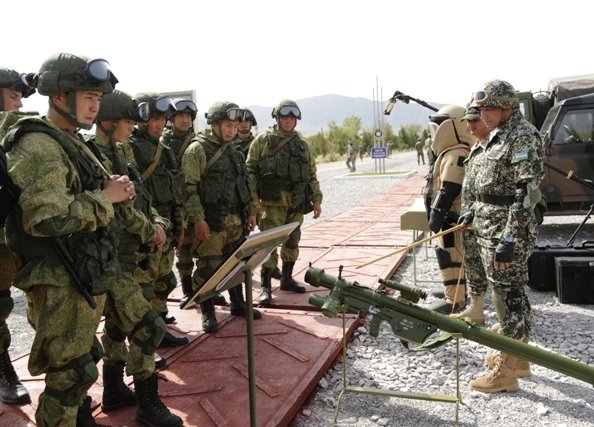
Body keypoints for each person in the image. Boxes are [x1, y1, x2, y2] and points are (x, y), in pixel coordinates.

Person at [3, 52, 132, 427]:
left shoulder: (71, 140)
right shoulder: (39, 145)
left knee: (81, 366)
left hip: (79, 273)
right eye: (88, 97)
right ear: (59, 97)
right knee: (67, 377)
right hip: (59, 281)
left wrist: (113, 192)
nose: (95, 106)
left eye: (98, 98)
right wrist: (105, 198)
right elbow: (47, 218)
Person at [90, 90, 182, 426]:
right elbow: (119, 211)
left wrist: (158, 222)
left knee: (117, 328)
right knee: (147, 328)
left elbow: (141, 197)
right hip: (111, 260)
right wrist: (149, 229)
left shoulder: (121, 151)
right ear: (107, 121)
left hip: (130, 258)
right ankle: (148, 405)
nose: (132, 126)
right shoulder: (91, 155)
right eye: (127, 121)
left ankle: (114, 389)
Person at [461, 79, 544, 393]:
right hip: (488, 226)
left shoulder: (522, 135)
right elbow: (489, 181)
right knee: (506, 293)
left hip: (508, 231)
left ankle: (506, 373)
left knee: (511, 299)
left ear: (508, 107)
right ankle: (518, 360)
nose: (483, 114)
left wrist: (510, 238)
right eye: (481, 108)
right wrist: (473, 210)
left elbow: (525, 193)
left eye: (490, 108)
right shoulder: (497, 134)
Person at [182, 101, 260, 332]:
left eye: (235, 126)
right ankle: (208, 312)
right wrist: (198, 219)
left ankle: (238, 303)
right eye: (228, 126)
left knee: (237, 263)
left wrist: (251, 211)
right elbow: (189, 188)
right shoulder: (197, 150)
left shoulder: (234, 151)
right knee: (209, 267)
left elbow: (244, 183)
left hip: (236, 220)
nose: (232, 131)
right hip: (212, 222)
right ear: (214, 124)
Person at [125, 92, 189, 348]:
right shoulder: (130, 148)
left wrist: (179, 225)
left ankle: (158, 328)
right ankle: (142, 340)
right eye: (154, 119)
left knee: (165, 281)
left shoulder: (166, 150)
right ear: (141, 119)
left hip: (167, 228)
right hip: (146, 230)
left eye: (163, 119)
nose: (159, 124)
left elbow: (176, 192)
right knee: (144, 287)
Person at [246, 99, 323, 307]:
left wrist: (316, 199)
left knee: (293, 241)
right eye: (284, 118)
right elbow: (250, 171)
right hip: (271, 204)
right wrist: (254, 200)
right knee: (268, 244)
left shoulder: (302, 144)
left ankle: (287, 279)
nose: (288, 121)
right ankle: (265, 286)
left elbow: (311, 174)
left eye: (291, 118)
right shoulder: (262, 141)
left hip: (296, 202)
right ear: (277, 118)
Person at [0, 67, 35, 405]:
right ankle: (3, 369)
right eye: (14, 96)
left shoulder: (18, 136)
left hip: (18, 234)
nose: (20, 104)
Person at [424, 105, 473, 314]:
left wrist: (436, 215)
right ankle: (456, 291)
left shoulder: (456, 154)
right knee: (452, 255)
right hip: (450, 217)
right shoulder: (454, 152)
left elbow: (449, 189)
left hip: (450, 218)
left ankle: (455, 300)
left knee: (450, 256)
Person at [160, 98, 204, 308]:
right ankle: (187, 291)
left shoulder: (198, 142)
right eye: (181, 116)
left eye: (188, 116)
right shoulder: (163, 143)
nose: (185, 120)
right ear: (172, 119)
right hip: (175, 204)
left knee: (205, 249)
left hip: (196, 202)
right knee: (183, 251)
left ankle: (204, 289)